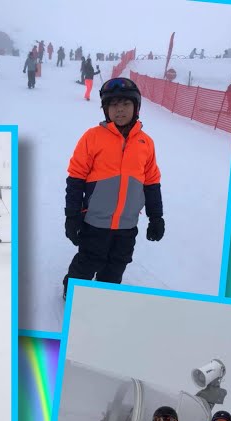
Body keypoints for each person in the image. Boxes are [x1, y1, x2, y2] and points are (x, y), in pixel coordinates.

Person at [62, 77, 163, 298]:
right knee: (88, 261)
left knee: (116, 266)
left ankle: (103, 297)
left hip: (127, 225)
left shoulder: (146, 143)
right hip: (95, 222)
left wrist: (156, 217)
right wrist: (72, 216)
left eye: (126, 104)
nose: (120, 110)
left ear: (136, 107)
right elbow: (76, 178)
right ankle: (73, 294)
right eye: (113, 104)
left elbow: (152, 182)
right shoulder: (92, 137)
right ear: (105, 109)